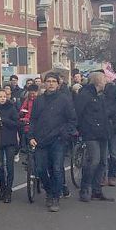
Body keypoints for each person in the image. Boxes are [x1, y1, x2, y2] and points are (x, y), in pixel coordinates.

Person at [29, 72, 77, 212]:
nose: (50, 84)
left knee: (56, 168)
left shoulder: (64, 99)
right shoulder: (39, 100)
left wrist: (64, 133)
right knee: (40, 169)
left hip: (58, 139)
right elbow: (33, 119)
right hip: (41, 139)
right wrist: (30, 136)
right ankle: (49, 190)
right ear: (44, 83)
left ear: (58, 84)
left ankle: (55, 196)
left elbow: (72, 120)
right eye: (48, 81)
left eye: (53, 81)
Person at [74, 72, 113, 202]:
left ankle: (97, 190)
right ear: (98, 81)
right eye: (104, 79)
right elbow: (78, 112)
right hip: (90, 133)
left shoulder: (100, 96)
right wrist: (80, 128)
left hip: (103, 132)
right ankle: (85, 189)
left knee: (102, 162)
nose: (106, 82)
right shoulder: (85, 95)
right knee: (94, 161)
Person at [0, 88, 19, 203]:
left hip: (10, 141)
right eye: (0, 96)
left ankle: (8, 190)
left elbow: (16, 124)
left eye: (4, 96)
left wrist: (3, 120)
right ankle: (2, 189)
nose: (2, 98)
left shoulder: (11, 108)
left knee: (9, 166)